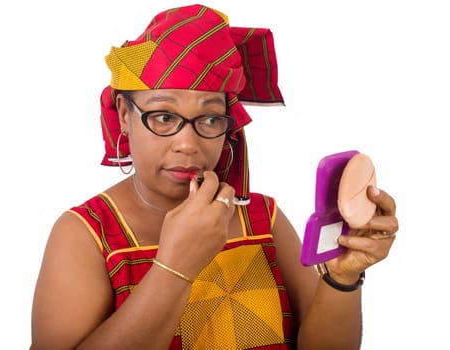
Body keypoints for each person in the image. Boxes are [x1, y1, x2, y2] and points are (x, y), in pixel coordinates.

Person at [31, 4, 398, 350]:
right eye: (163, 117)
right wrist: (176, 266)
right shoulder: (86, 233)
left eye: (209, 119)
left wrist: (341, 278)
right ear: (125, 114)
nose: (188, 145)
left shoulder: (262, 218)